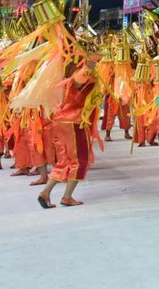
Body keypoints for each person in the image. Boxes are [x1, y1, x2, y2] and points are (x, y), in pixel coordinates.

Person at [37, 61, 101, 208]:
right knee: (80, 160)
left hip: (62, 121)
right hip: (73, 122)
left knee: (64, 160)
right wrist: (90, 63)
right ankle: (67, 197)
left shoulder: (68, 80)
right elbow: (83, 75)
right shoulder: (78, 77)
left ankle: (45, 193)